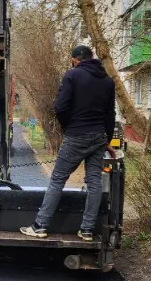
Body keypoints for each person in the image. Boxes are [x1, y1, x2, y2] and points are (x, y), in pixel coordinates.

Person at [21, 45, 116, 241]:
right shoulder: (108, 81)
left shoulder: (73, 75)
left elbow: (60, 107)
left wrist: (68, 127)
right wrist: (106, 139)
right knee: (94, 182)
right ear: (92, 58)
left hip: (77, 134)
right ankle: (88, 230)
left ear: (75, 59)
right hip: (99, 136)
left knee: (57, 179)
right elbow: (110, 114)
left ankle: (40, 226)